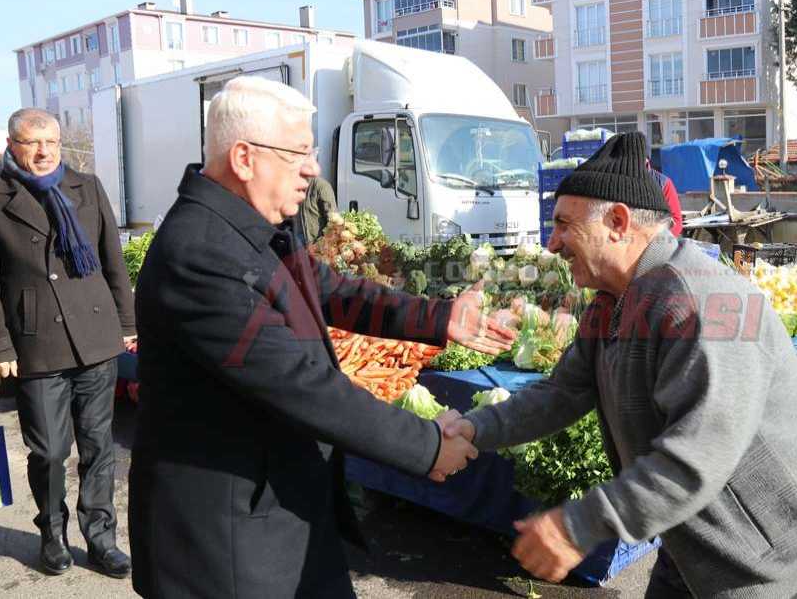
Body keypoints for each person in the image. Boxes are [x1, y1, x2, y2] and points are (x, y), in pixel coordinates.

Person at [127, 76, 514, 598]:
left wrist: (438, 318)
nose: (312, 168)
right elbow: (301, 385)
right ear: (244, 158)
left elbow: (332, 289)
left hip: (278, 511)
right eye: (298, 154)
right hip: (227, 544)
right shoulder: (200, 253)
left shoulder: (249, 229)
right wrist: (427, 446)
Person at [445, 133, 797, 598]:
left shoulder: (703, 303)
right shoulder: (612, 301)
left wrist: (579, 525)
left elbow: (697, 455)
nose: (552, 243)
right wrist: (474, 428)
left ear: (617, 222)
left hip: (771, 557)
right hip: (695, 538)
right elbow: (561, 393)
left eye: (563, 225)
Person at [0, 108, 134, 577]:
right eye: (32, 143)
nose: (43, 152)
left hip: (95, 337)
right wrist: (1, 346)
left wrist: (127, 322)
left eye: (51, 142)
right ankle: (52, 534)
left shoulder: (86, 187)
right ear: (12, 145)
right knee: (50, 452)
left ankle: (101, 539)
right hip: (37, 343)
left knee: (98, 446)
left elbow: (112, 258)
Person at [646, 160, 683, 237]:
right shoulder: (619, 180)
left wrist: (657, 240)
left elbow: (676, 222)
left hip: (655, 239)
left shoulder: (663, 183)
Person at [297, 175, 337, 244]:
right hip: (298, 239)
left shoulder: (321, 186)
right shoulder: (294, 185)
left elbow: (333, 218)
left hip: (315, 241)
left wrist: (323, 242)